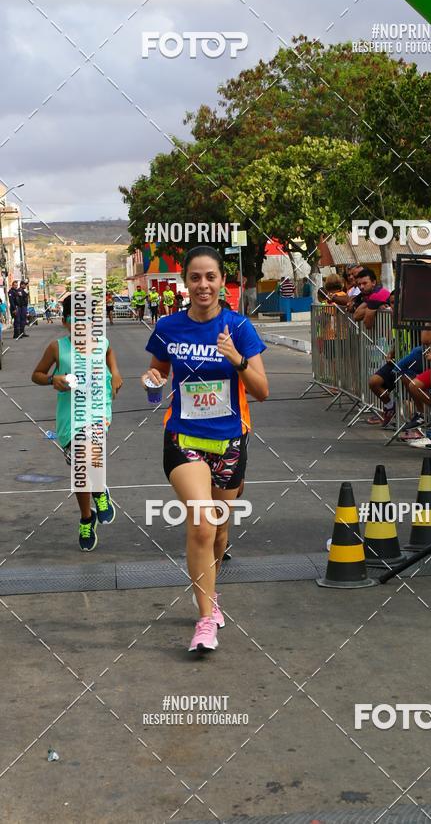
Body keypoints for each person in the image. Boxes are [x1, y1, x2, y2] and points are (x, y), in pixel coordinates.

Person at [142, 246, 269, 654]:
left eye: (210, 277)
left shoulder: (239, 327)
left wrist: (237, 360)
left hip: (229, 441)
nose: (203, 285)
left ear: (221, 281)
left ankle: (210, 593)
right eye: (195, 277)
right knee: (201, 523)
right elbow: (158, 371)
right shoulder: (169, 327)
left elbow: (262, 391)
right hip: (184, 438)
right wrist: (152, 381)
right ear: (185, 282)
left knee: (219, 531)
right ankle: (205, 619)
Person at [31, 294, 123, 550]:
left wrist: (115, 373)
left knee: (86, 454)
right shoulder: (57, 348)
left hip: (98, 411)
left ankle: (100, 491)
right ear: (65, 322)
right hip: (69, 417)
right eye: (75, 319)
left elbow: (110, 354)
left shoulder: (102, 342)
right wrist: (53, 379)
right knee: (80, 471)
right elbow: (36, 375)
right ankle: (86, 517)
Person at [367, 329, 431, 427]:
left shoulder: (416, 325)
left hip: (416, 358)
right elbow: (399, 340)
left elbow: (427, 340)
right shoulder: (397, 325)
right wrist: (392, 352)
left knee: (407, 377)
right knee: (374, 382)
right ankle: (390, 407)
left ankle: (422, 414)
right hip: (398, 360)